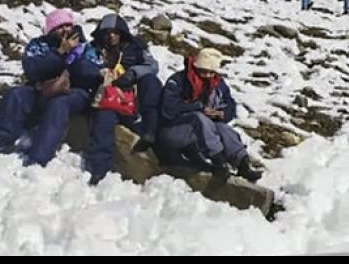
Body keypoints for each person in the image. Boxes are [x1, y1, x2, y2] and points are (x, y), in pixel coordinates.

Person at [0, 9, 114, 183]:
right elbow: (32, 69)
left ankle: (38, 157)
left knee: (59, 104)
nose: (66, 30)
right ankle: (1, 139)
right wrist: (59, 53)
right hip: (41, 89)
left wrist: (75, 57)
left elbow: (92, 74)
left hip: (75, 92)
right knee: (15, 95)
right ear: (51, 29)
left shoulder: (86, 48)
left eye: (68, 25)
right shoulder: (38, 45)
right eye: (60, 26)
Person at [156, 47, 261, 182]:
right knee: (198, 118)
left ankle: (242, 163)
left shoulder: (218, 84)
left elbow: (230, 104)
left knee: (223, 129)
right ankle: (218, 161)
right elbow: (168, 109)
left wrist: (221, 114)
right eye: (203, 72)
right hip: (172, 131)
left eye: (211, 73)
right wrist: (198, 108)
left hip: (198, 134)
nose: (207, 76)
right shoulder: (178, 81)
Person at [90, 12, 162, 150]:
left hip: (133, 92)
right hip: (105, 93)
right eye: (107, 32)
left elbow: (153, 66)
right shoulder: (94, 48)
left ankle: (150, 129)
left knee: (150, 81)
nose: (112, 36)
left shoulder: (136, 47)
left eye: (116, 32)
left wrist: (133, 73)